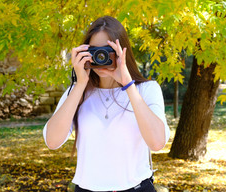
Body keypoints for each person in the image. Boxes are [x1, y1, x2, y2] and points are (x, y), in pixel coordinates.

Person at [43, 16, 170, 192]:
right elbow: (52, 141)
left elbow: (157, 143)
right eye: (94, 51)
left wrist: (128, 84)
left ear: (122, 51)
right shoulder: (78, 92)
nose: (100, 56)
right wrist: (80, 83)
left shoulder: (146, 89)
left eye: (107, 50)